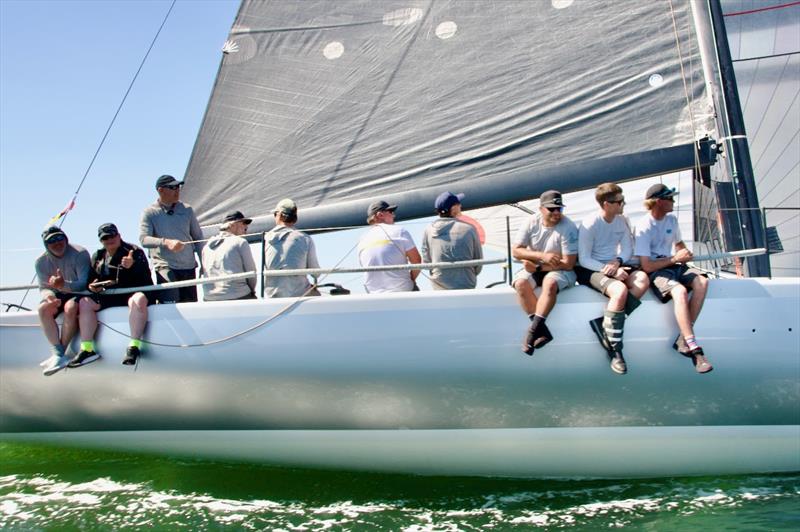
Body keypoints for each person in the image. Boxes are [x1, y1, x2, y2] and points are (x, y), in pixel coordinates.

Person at [634, 183, 712, 373]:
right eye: (669, 198)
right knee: (680, 291)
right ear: (658, 201)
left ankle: (683, 338)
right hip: (657, 270)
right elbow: (646, 266)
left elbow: (678, 244)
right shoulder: (643, 227)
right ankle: (694, 348)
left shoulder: (672, 220)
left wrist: (683, 252)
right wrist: (675, 258)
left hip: (674, 265)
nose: (673, 201)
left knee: (702, 281)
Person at [577, 183, 649, 375]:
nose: (623, 204)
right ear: (606, 204)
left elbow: (626, 249)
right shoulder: (590, 223)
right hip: (590, 268)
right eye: (619, 201)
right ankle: (615, 351)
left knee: (642, 279)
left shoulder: (621, 220)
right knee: (620, 291)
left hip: (613, 265)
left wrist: (617, 262)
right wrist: (609, 270)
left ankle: (606, 323)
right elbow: (583, 259)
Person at [71, 223, 155, 368]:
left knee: (139, 298)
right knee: (84, 302)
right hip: (108, 296)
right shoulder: (97, 256)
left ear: (119, 235)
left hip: (131, 293)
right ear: (101, 241)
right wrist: (93, 286)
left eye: (112, 235)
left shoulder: (134, 251)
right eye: (105, 238)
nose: (110, 239)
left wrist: (133, 266)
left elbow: (146, 278)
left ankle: (133, 346)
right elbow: (90, 281)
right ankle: (87, 348)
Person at [512, 190, 579, 355]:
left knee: (550, 282)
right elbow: (516, 251)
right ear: (541, 209)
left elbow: (569, 263)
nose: (557, 213)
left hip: (562, 270)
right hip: (537, 266)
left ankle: (532, 331)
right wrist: (542, 257)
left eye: (559, 209)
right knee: (520, 284)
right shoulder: (531, 221)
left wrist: (539, 267)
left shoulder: (568, 227)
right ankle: (543, 332)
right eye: (552, 209)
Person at [35, 226, 91, 376]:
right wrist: (49, 296)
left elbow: (83, 284)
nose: (57, 243)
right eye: (51, 240)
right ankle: (57, 352)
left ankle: (61, 353)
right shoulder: (40, 261)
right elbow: (43, 287)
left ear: (66, 239)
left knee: (70, 307)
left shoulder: (80, 253)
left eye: (59, 238)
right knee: (43, 309)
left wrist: (63, 285)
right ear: (46, 245)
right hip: (58, 294)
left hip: (79, 292)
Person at [139, 174, 203, 303]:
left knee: (190, 307)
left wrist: (204, 263)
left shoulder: (187, 209)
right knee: (171, 304)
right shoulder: (149, 212)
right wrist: (166, 242)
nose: (177, 190)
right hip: (165, 267)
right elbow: (143, 239)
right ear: (160, 190)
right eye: (173, 187)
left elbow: (198, 237)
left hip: (188, 267)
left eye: (178, 187)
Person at [420, 191, 483, 290]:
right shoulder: (469, 228)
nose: (461, 206)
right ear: (453, 209)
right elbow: (478, 263)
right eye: (458, 204)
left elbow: (426, 263)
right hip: (466, 284)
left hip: (438, 285)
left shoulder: (428, 230)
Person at [358, 200, 422, 293]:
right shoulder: (400, 231)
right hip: (402, 290)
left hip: (374, 294)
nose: (394, 215)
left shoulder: (362, 239)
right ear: (380, 215)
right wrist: (411, 279)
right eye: (391, 212)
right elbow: (417, 261)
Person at [263, 199, 320, 298]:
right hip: (299, 295)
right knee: (318, 296)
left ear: (279, 215)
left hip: (273, 295)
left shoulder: (266, 238)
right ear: (295, 218)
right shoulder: (305, 238)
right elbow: (316, 273)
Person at [202, 211, 257, 301]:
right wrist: (252, 292)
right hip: (237, 295)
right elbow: (251, 272)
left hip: (209, 298)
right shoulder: (240, 242)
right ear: (232, 225)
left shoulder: (206, 246)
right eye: (244, 223)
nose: (246, 226)